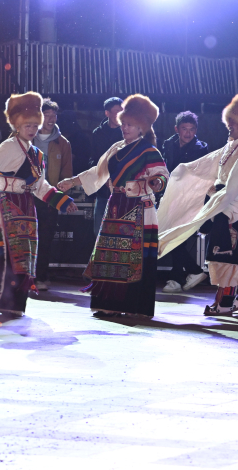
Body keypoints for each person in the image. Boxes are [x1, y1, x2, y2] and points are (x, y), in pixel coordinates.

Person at [157, 94, 238, 316]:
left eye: (234, 121)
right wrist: (185, 173)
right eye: (229, 121)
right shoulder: (230, 146)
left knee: (228, 256)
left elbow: (234, 183)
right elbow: (206, 167)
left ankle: (225, 302)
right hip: (225, 205)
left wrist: (213, 201)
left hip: (237, 209)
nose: (230, 125)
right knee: (223, 255)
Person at [58, 94, 168, 318]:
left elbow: (162, 173)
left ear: (141, 128)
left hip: (139, 208)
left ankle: (134, 305)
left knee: (134, 258)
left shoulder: (149, 151)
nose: (124, 128)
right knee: (109, 256)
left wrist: (157, 182)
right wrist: (72, 181)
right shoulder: (116, 148)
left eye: (130, 125)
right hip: (116, 206)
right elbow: (97, 172)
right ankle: (108, 303)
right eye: (123, 123)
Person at [0, 92, 77, 317]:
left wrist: (62, 201)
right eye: (27, 125)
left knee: (24, 258)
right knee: (3, 256)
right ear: (17, 125)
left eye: (34, 125)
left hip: (27, 209)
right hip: (5, 207)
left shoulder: (36, 154)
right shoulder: (9, 146)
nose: (31, 129)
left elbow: (40, 186)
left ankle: (15, 304)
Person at [159, 111, 210, 294]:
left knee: (175, 237)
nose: (188, 133)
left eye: (191, 129)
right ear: (177, 129)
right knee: (171, 236)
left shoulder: (201, 149)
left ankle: (179, 277)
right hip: (169, 196)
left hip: (189, 199)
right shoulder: (168, 144)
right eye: (184, 129)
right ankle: (188, 273)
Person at [33, 99, 73, 291]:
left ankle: (40, 276)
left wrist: (60, 197)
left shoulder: (62, 142)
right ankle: (23, 277)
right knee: (24, 236)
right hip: (27, 196)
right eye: (46, 115)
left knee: (45, 238)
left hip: (50, 197)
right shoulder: (26, 137)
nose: (50, 119)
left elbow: (67, 173)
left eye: (53, 115)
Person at [90, 97, 125, 234]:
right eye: (116, 111)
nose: (120, 114)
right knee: (99, 232)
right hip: (103, 191)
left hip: (122, 190)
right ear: (107, 113)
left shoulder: (127, 133)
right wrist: (102, 176)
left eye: (122, 111)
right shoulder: (97, 133)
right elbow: (93, 159)